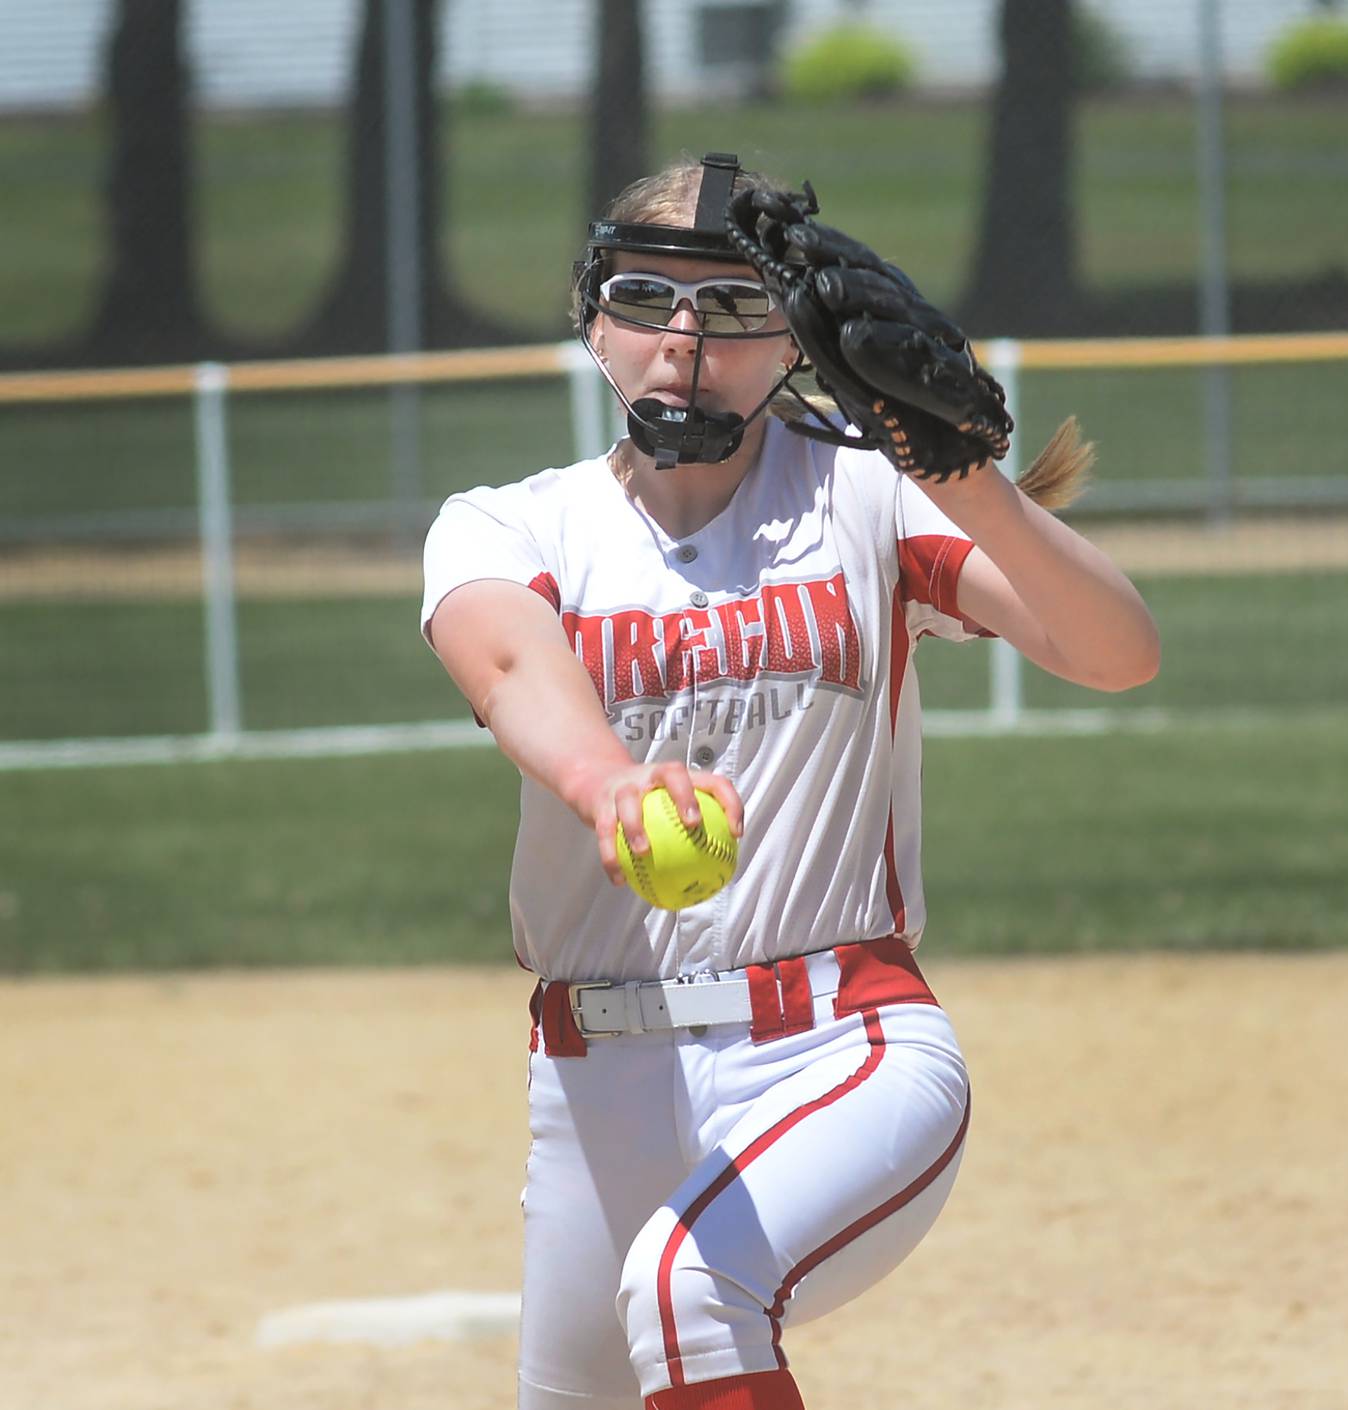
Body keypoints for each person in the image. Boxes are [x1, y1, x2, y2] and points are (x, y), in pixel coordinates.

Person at [421, 152, 1160, 1410]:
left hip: (840, 1042)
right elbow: (504, 661)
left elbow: (1114, 652)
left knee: (688, 1290)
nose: (687, 338)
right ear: (594, 318)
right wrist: (608, 787)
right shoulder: (511, 523)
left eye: (738, 303)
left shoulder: (870, 500)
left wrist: (956, 469)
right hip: (596, 1073)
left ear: (799, 338)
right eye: (649, 297)